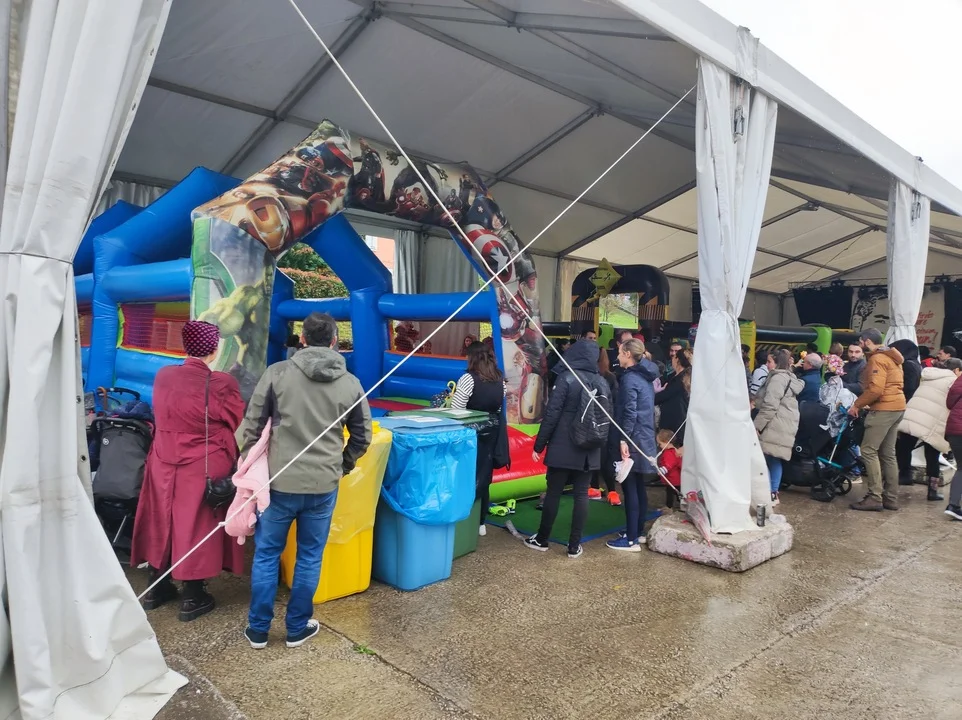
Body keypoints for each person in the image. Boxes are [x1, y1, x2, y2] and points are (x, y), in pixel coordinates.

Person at [240, 313, 372, 649]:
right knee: (310, 556)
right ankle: (297, 627)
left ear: (302, 339)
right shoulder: (351, 383)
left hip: (278, 482)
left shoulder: (277, 373)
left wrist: (250, 465)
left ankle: (258, 629)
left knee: (267, 554)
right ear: (334, 341)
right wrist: (342, 465)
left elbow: (251, 426)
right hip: (323, 484)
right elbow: (362, 436)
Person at [132, 321, 245, 622]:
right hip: (203, 461)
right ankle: (193, 595)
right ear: (215, 348)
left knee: (161, 518)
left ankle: (156, 586)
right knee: (197, 525)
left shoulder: (164, 375)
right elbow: (234, 418)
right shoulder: (221, 383)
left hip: (163, 458)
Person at [526, 339, 607, 558]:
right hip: (589, 447)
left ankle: (542, 539)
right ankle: (574, 545)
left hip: (563, 445)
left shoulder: (566, 378)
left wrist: (539, 444)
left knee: (553, 492)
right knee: (581, 494)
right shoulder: (601, 381)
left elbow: (552, 414)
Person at [606, 339, 660, 552]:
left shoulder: (630, 379)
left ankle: (631, 539)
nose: (618, 356)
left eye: (620, 352)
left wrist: (623, 439)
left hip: (634, 439)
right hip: (644, 436)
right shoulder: (645, 376)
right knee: (638, 486)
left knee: (630, 488)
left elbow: (630, 412)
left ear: (628, 354)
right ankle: (637, 531)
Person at [451, 342, 506, 534]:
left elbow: (456, 410)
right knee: (484, 476)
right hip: (491, 433)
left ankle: (463, 520)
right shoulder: (500, 379)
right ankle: (481, 521)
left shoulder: (468, 378)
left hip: (469, 434)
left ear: (471, 357)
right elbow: (498, 408)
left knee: (466, 476)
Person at [848, 329, 906, 512]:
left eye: (860, 342)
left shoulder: (877, 358)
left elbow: (876, 389)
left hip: (884, 408)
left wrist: (857, 404)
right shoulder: (892, 357)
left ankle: (874, 497)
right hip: (898, 406)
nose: (859, 344)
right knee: (888, 454)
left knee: (868, 450)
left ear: (866, 341)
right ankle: (891, 498)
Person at [897, 358, 962, 500]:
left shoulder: (928, 375)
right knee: (932, 455)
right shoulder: (954, 381)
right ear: (956, 370)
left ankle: (905, 475)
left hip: (914, 415)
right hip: (934, 420)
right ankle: (932, 491)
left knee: (905, 447)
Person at [753, 349, 804, 505]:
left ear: (777, 363)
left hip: (774, 422)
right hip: (784, 421)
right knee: (773, 457)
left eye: (769, 362)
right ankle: (772, 492)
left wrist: (757, 426)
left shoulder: (777, 379)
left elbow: (770, 405)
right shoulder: (789, 377)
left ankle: (770, 493)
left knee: (768, 458)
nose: (767, 365)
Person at [589, 347, 621, 506]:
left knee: (595, 456)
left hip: (592, 423)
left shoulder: (589, 377)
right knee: (606, 458)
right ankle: (612, 492)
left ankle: (596, 488)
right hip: (607, 423)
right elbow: (616, 402)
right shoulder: (610, 378)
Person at [890, 338, 923, 486]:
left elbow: (908, 388)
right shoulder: (916, 364)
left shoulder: (908, 365)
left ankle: (905, 474)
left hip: (907, 409)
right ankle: (905, 473)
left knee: (903, 445)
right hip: (913, 409)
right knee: (904, 444)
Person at [655, 347, 692, 446]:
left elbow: (663, 396)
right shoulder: (676, 377)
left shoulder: (680, 380)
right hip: (675, 421)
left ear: (677, 360)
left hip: (676, 424)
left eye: (673, 357)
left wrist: (652, 396)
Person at [941, 360, 962, 520]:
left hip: (954, 429)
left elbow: (950, 403)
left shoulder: (960, 380)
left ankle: (953, 505)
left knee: (961, 468)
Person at [656, 429, 682, 511]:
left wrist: (662, 471)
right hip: (673, 479)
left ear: (667, 442)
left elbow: (669, 464)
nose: (659, 446)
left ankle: (671, 506)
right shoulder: (674, 451)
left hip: (673, 479)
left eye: (660, 444)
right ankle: (670, 506)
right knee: (671, 492)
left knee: (674, 493)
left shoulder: (669, 453)